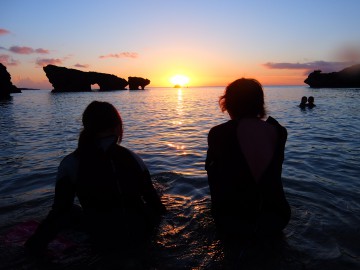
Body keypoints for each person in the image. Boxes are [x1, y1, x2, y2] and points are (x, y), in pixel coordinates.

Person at [25, 101, 166, 254]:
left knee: (70, 210)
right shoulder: (134, 159)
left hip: (102, 239)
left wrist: (32, 246)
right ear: (118, 127)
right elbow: (156, 205)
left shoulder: (71, 163)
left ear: (87, 126)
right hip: (141, 234)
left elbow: (60, 212)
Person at [205, 78, 291, 247]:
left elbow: (214, 179)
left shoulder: (218, 134)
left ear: (227, 103)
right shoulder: (279, 131)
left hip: (234, 222)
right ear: (260, 103)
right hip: (277, 217)